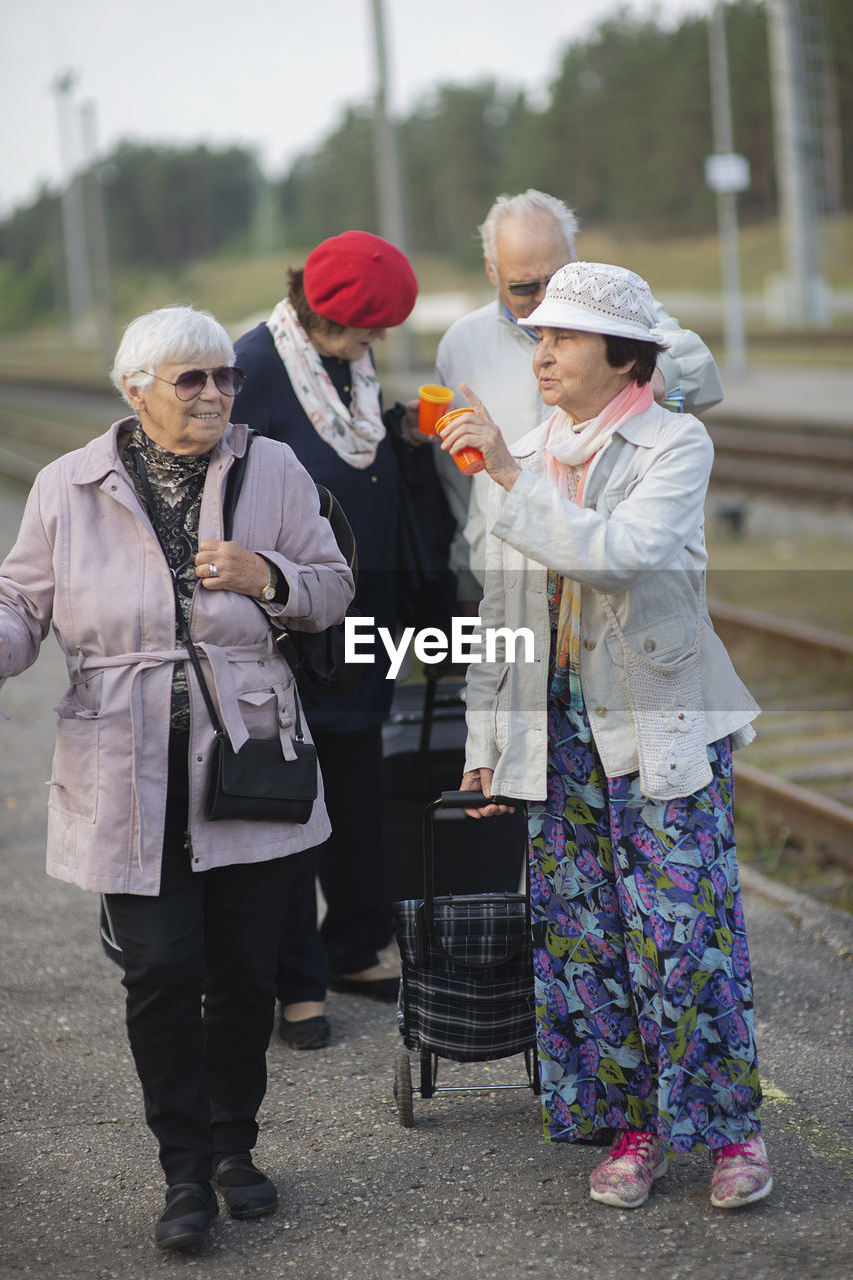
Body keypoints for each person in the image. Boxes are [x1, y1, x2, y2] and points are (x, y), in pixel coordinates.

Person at [0, 305, 354, 1250]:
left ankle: (236, 1148)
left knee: (243, 974)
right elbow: (19, 607)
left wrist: (266, 575)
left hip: (249, 766)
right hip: (125, 766)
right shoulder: (66, 486)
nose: (214, 394)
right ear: (136, 389)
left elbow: (332, 588)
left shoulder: (270, 467)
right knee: (160, 969)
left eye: (224, 377)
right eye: (190, 379)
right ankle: (184, 1174)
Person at [444, 261, 772, 1211]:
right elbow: (500, 607)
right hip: (554, 738)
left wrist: (508, 476)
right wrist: (487, 737)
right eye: (538, 337)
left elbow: (624, 555)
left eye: (561, 338)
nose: (539, 353)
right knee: (587, 942)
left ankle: (728, 1134)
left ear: (622, 354)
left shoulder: (676, 443)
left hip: (661, 724)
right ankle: (633, 1130)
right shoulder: (528, 445)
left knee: (686, 932)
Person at [233, 231, 451, 1049]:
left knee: (358, 784)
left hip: (367, 618)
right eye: (370, 328)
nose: (378, 345)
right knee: (292, 801)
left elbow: (355, 461)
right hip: (293, 628)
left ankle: (352, 944)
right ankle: (296, 978)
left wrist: (401, 440)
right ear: (325, 314)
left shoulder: (346, 366)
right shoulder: (251, 368)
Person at [434, 189, 725, 595]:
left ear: (574, 255)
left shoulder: (616, 313)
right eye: (523, 287)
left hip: (608, 576)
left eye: (554, 279)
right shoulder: (459, 343)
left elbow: (703, 373)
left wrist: (656, 369)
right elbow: (457, 478)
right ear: (491, 271)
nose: (542, 298)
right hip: (509, 571)